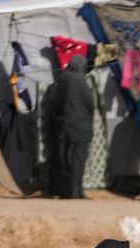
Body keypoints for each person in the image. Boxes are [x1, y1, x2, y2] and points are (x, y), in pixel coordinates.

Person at [49, 55, 94, 199]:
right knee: (78, 161)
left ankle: (63, 191)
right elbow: (90, 103)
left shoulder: (64, 79)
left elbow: (57, 102)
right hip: (82, 128)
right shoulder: (82, 80)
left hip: (64, 125)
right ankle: (76, 192)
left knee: (63, 159)